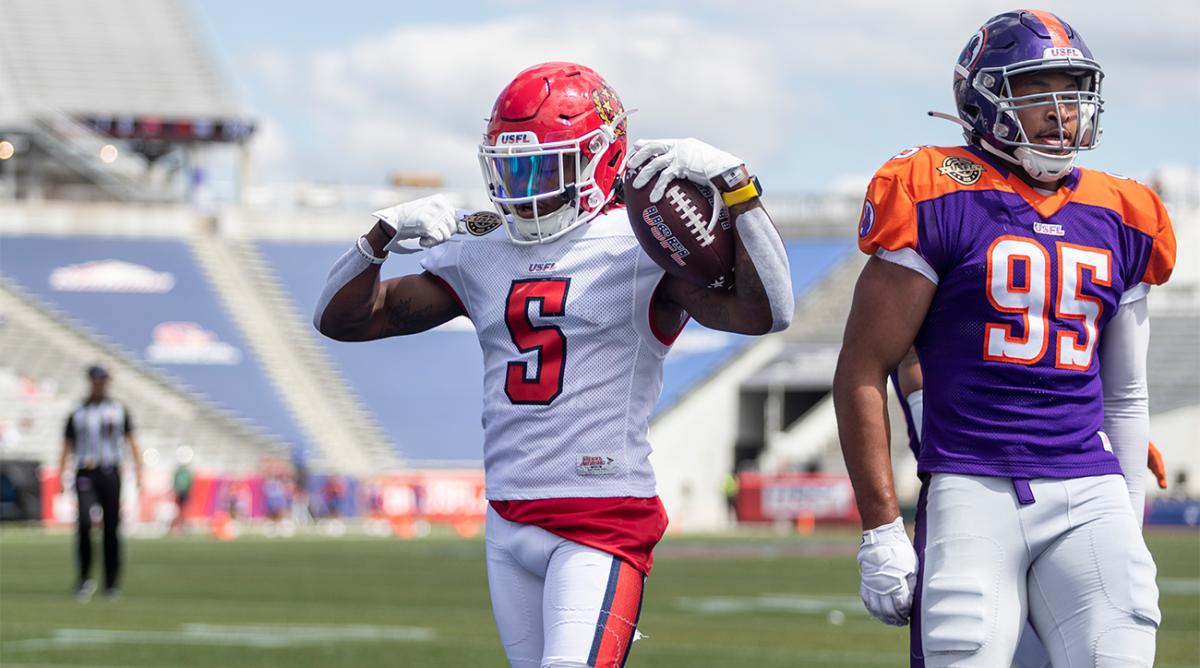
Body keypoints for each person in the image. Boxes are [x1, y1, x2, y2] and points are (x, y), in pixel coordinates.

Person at [313, 61, 793, 667]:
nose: (525, 184)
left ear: (602, 158)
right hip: (507, 515)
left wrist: (737, 189)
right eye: (512, 167)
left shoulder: (642, 244)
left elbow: (766, 312)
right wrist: (377, 238)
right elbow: (344, 321)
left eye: (544, 164)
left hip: (601, 519)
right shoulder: (482, 250)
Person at [833, 9, 1175, 667]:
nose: (1061, 111)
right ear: (985, 96)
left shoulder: (1126, 214)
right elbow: (865, 366)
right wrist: (881, 530)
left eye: (1073, 92)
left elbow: (1126, 397)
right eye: (1037, 91)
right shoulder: (936, 190)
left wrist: (1124, 528)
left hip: (1087, 484)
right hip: (973, 483)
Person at [890, 348, 1169, 668]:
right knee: (970, 639)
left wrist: (1086, 428)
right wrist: (881, 530)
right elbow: (908, 361)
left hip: (1054, 476)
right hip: (965, 479)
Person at [58, 365, 142, 602]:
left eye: (103, 381)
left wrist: (139, 469)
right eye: (96, 381)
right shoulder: (78, 412)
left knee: (111, 528)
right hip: (85, 471)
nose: (99, 385)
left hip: (110, 472)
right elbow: (68, 444)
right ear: (90, 382)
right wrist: (61, 472)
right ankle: (84, 579)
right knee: (84, 524)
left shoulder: (118, 410)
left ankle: (112, 583)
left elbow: (131, 440)